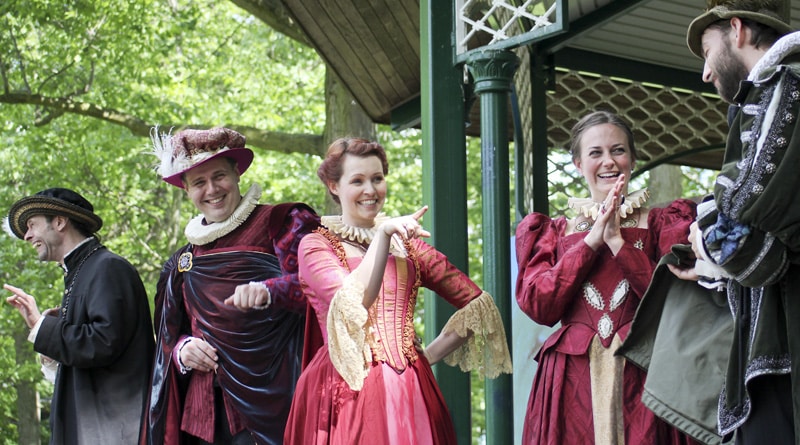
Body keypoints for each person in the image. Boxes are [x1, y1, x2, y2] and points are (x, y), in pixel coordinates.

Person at [283, 137, 512, 444]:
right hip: (343, 392)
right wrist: (384, 235)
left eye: (377, 178)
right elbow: (357, 303)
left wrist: (426, 357)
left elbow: (478, 305)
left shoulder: (410, 248)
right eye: (358, 180)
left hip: (411, 389)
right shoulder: (316, 246)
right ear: (333, 186)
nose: (370, 190)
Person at [514, 111, 698, 444]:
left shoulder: (661, 224)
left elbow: (674, 301)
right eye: (595, 152)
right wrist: (591, 242)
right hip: (571, 382)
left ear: (632, 158)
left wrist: (617, 242)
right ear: (577, 163)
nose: (608, 161)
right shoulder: (553, 232)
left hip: (645, 376)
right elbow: (541, 306)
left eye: (618, 150)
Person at [141, 127, 320, 445]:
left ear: (237, 173)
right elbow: (167, 338)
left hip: (280, 407)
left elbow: (323, 289)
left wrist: (270, 290)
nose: (211, 189)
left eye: (219, 176)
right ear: (186, 190)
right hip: (203, 417)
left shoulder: (283, 224)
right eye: (199, 182)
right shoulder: (182, 261)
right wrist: (183, 349)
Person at [679, 1, 799, 442]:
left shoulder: (790, 83)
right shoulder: (766, 95)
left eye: (708, 52)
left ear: (737, 30)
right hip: (776, 334)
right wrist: (712, 261)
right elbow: (756, 242)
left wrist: (705, 229)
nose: (705, 74)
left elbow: (743, 197)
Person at [4, 188, 155, 444]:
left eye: (32, 225)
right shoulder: (82, 271)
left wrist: (43, 328)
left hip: (114, 433)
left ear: (60, 222)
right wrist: (48, 339)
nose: (27, 236)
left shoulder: (107, 267)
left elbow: (102, 343)